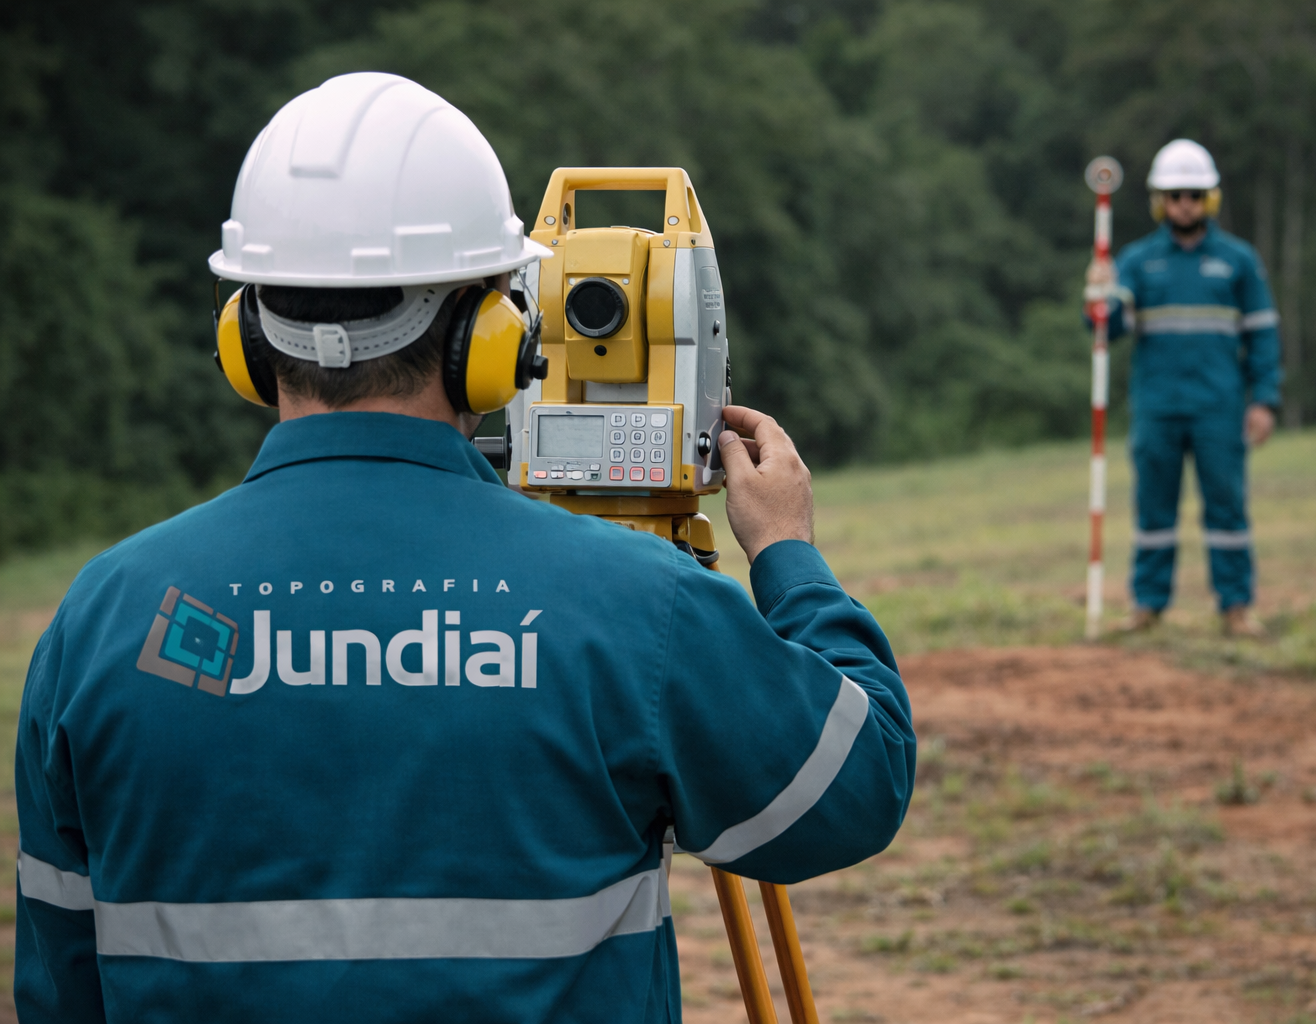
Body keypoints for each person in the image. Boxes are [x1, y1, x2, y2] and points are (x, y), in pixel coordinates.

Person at [14, 73, 915, 1023]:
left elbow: (61, 981)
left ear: (244, 334)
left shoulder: (104, 619)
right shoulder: (637, 608)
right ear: (494, 334)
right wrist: (787, 555)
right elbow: (852, 789)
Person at [1086, 139, 1281, 637]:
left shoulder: (1238, 261)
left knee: (1227, 508)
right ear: (1160, 201)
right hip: (1157, 408)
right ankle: (1147, 606)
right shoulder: (1137, 260)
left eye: (1194, 194)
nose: (1185, 204)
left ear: (1209, 197)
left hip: (1219, 407)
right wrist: (1098, 296)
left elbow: (1262, 333)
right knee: (1154, 510)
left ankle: (1235, 608)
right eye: (1175, 195)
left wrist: (1264, 400)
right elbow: (1107, 328)